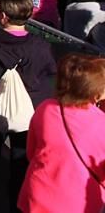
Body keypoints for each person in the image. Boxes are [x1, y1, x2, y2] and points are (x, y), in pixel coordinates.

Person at [0, 0, 56, 213]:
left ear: (4, 16)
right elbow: (48, 75)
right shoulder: (41, 47)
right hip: (28, 113)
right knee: (20, 163)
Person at [18, 53, 105, 213]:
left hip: (39, 193)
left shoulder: (46, 108)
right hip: (78, 202)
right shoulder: (101, 123)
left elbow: (32, 152)